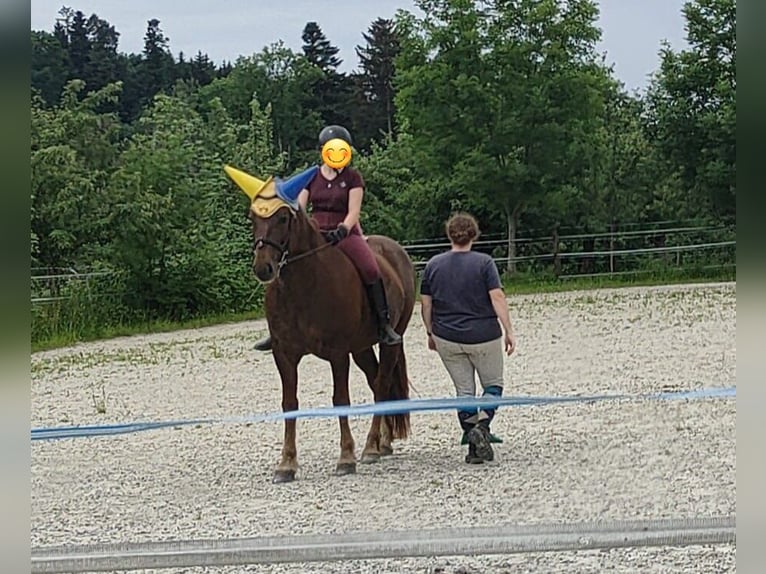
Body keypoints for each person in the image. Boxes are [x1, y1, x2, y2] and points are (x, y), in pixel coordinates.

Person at [253, 125, 402, 351]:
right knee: (284, 267)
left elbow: (354, 210)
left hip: (344, 233)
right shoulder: (311, 177)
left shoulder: (353, 178)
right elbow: (300, 206)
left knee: (371, 269)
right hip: (315, 232)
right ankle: (277, 330)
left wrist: (343, 228)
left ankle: (383, 323)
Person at [419, 212, 516, 464]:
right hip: (483, 335)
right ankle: (482, 427)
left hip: (447, 336)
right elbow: (497, 297)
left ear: (449, 234)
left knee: (464, 391)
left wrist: (430, 332)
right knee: (493, 385)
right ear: (474, 234)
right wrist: (508, 330)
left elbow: (426, 305)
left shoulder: (433, 265)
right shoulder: (484, 263)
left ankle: (473, 446)